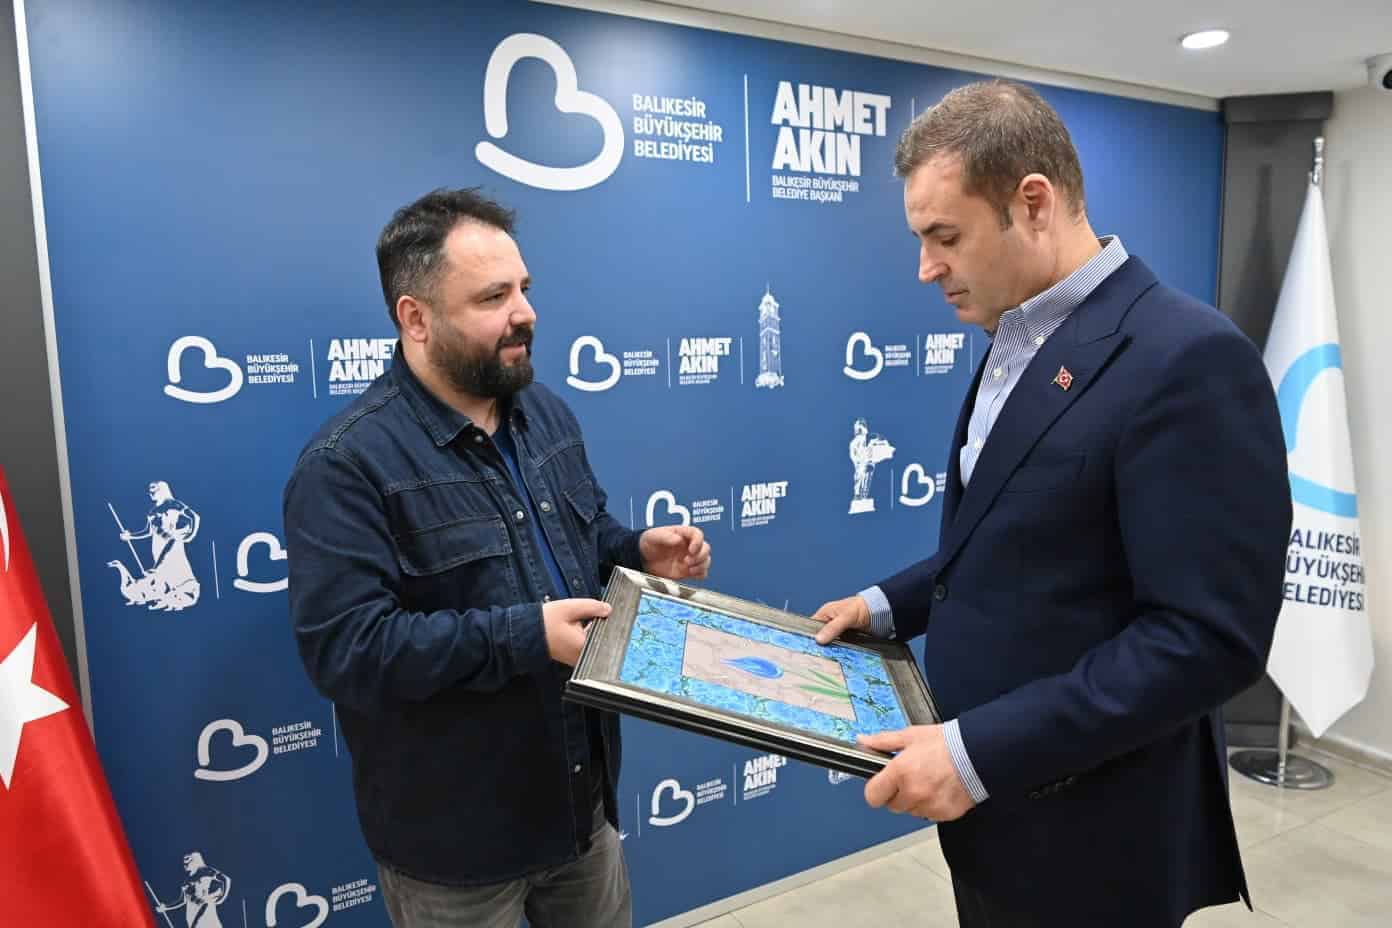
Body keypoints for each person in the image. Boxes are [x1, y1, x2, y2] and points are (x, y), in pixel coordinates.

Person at [811, 80, 1290, 927]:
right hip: (997, 823)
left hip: (1094, 836)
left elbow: (1207, 639)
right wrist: (884, 606)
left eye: (945, 237)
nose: (926, 268)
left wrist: (974, 753)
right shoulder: (1015, 334)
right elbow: (1016, 535)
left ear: (1033, 203)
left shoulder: (1187, 358)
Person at [283, 188, 711, 927]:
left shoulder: (546, 415)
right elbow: (347, 651)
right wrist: (527, 635)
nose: (525, 312)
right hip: (456, 851)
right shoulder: (346, 466)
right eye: (493, 297)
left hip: (581, 808)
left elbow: (582, 542)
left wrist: (636, 552)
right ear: (415, 318)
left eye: (524, 288)